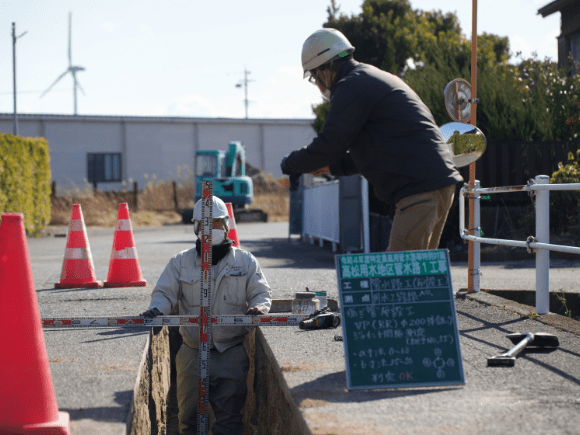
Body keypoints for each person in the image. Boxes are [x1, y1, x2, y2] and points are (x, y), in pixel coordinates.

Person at [281, 28, 464, 252]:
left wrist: (291, 164)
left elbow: (330, 144)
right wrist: (329, 166)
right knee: (420, 274)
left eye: (314, 76)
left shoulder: (350, 85)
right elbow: (370, 153)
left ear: (324, 71)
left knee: (398, 276)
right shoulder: (369, 78)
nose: (318, 84)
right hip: (436, 182)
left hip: (419, 190)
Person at [140, 195, 271, 435]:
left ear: (227, 225)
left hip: (231, 352)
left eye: (216, 223)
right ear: (196, 227)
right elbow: (165, 292)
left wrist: (259, 308)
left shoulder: (245, 261)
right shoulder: (181, 262)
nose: (210, 229)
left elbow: (260, 292)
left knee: (230, 421)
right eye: (204, 224)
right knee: (188, 421)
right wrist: (157, 310)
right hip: (191, 352)